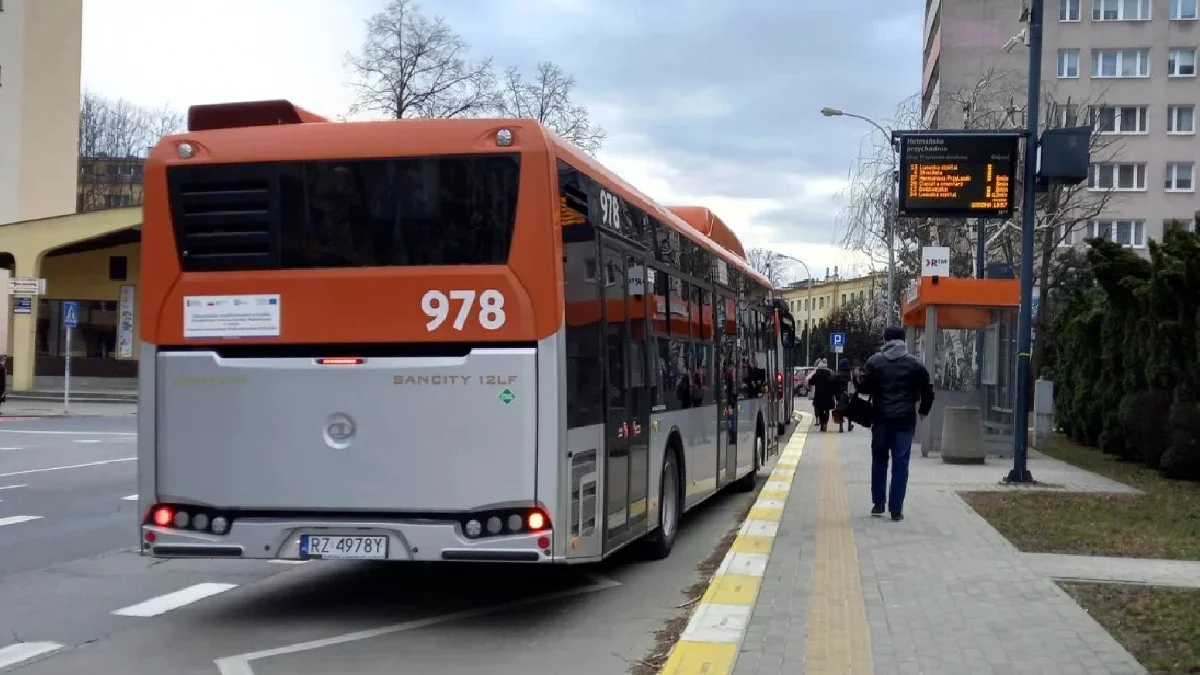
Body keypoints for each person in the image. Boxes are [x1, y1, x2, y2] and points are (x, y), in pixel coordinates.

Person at [858, 326, 934, 522]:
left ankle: (878, 503)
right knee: (901, 463)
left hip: (881, 419)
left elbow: (864, 388)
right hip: (905, 420)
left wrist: (861, 377)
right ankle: (896, 509)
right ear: (903, 341)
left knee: (879, 461)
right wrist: (924, 409)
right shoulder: (915, 364)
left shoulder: (875, 361)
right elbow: (927, 389)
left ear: (885, 339)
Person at [809, 359, 836, 432]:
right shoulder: (830, 374)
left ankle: (822, 423)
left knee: (820, 410)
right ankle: (825, 423)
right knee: (827, 410)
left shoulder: (817, 374)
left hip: (819, 395)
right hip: (828, 396)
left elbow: (810, 382)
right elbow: (834, 383)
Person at [831, 357, 855, 432]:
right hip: (848, 395)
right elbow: (853, 384)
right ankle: (849, 425)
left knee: (840, 409)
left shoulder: (837, 374)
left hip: (839, 394)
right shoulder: (850, 374)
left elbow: (834, 385)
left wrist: (835, 394)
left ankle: (841, 426)